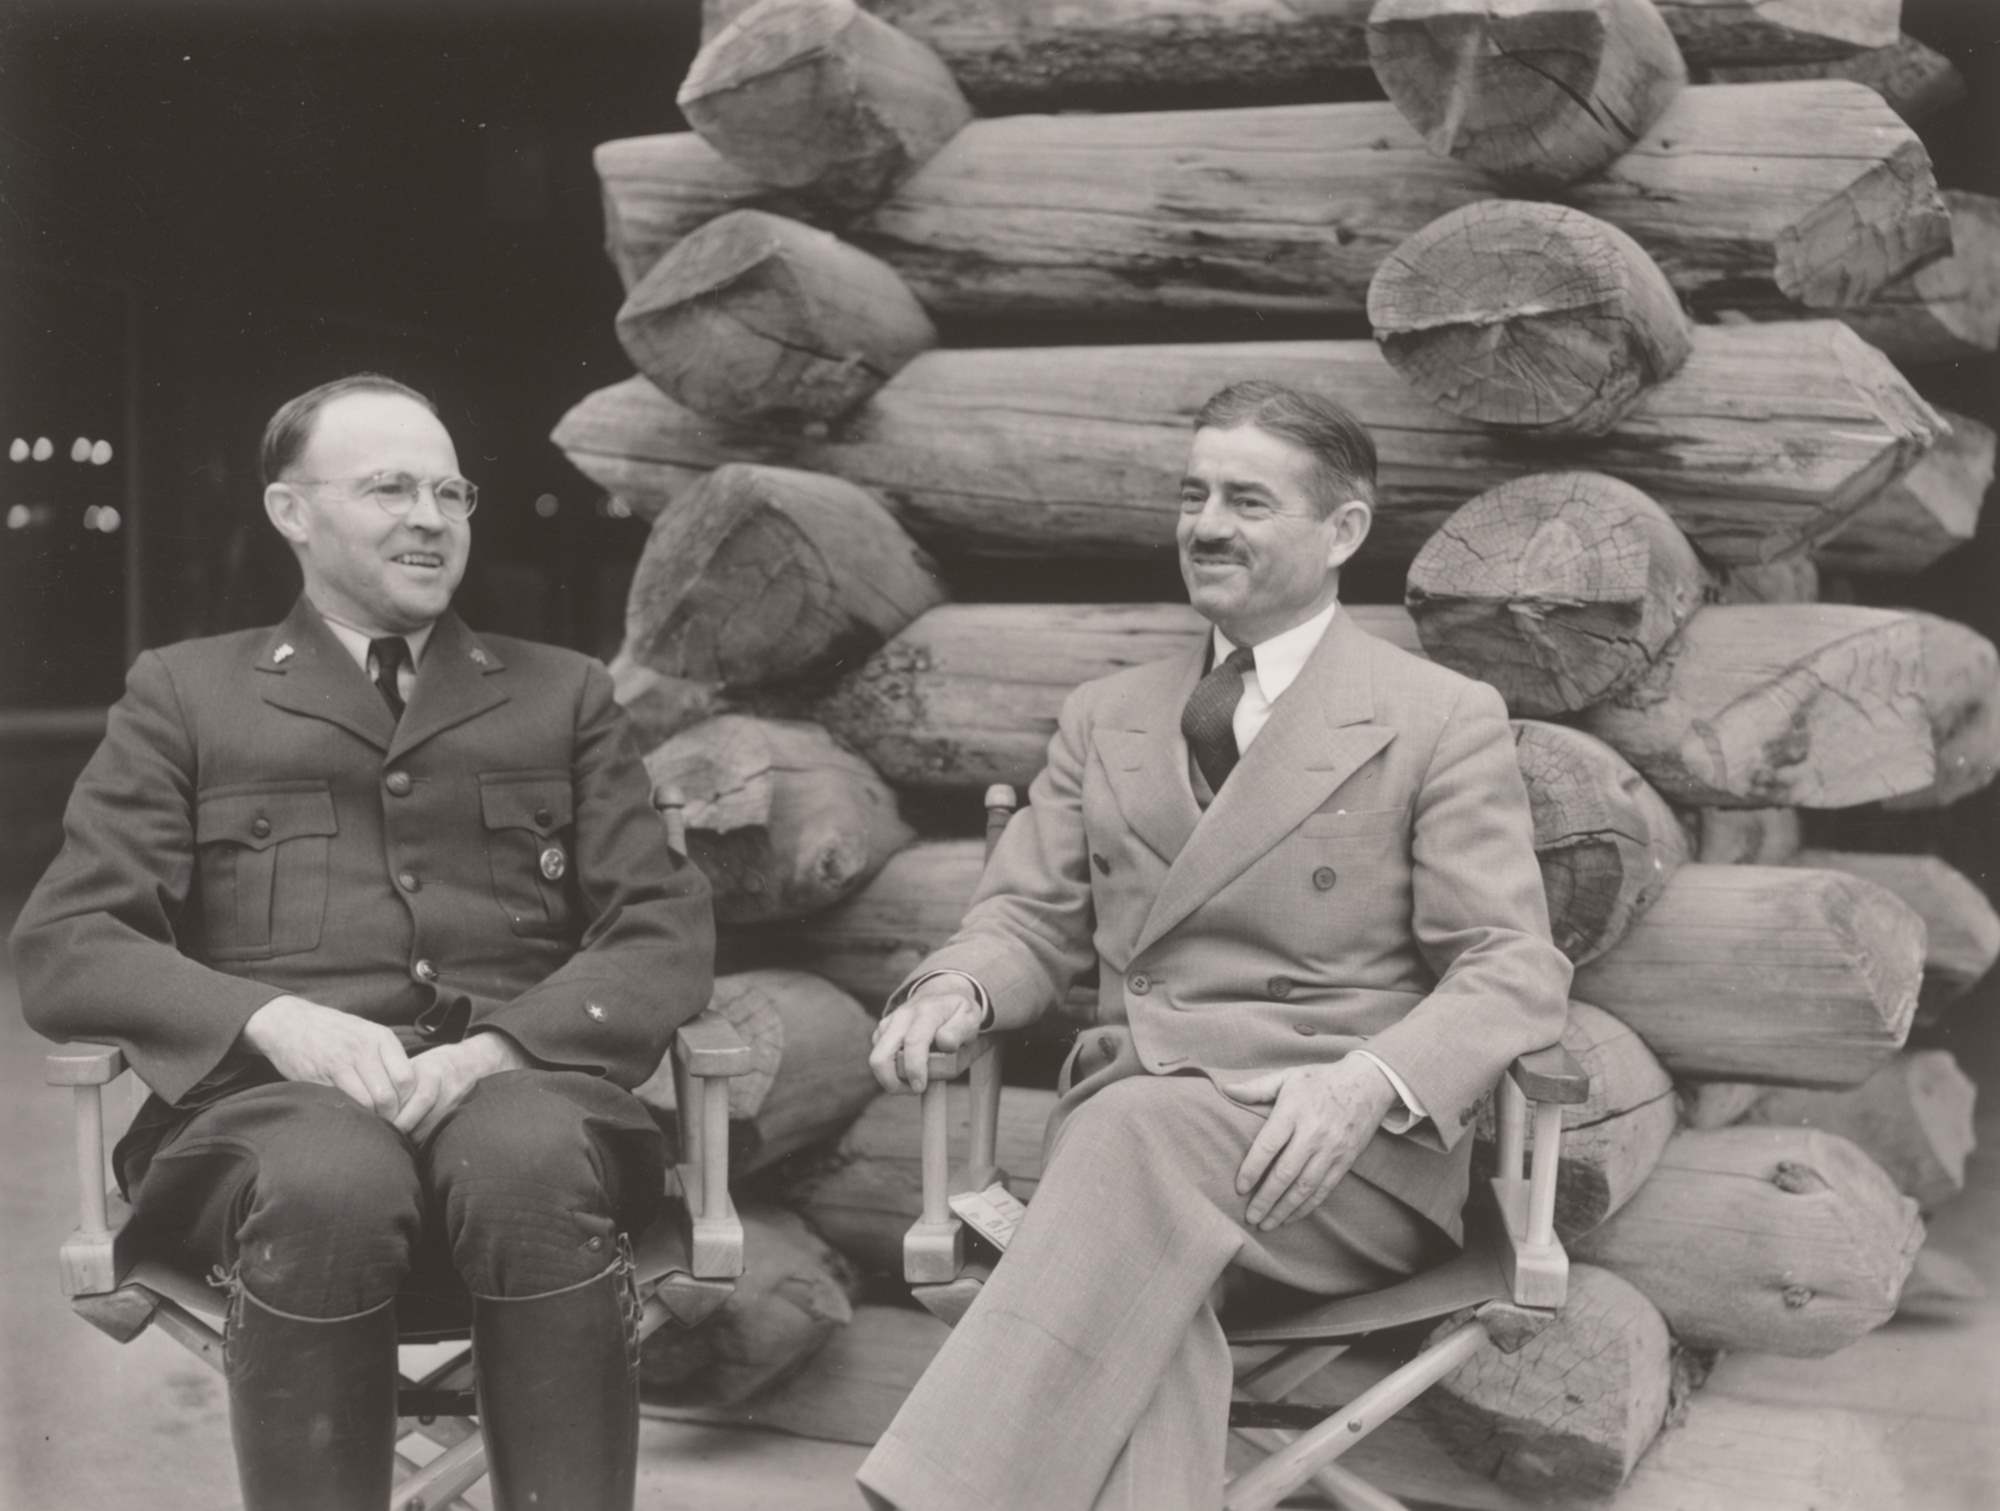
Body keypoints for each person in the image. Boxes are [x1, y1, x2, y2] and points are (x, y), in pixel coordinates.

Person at [857, 381, 1573, 1510]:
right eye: (1192, 495)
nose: (1204, 524)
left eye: (1246, 499)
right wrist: (956, 985)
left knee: (1127, 1139)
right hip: (1143, 1154)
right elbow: (1026, 917)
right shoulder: (1106, 714)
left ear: (1341, 532)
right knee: (1149, 1290)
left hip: (1335, 1159)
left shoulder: (1433, 714)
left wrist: (1366, 1080)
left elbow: (1510, 963)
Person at [11, 373, 714, 1511]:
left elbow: (662, 926)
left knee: (527, 1155)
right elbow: (69, 937)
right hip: (265, 1131)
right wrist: (270, 1019)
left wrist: (500, 1051)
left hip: (529, 1112)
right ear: (292, 511)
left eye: (450, 490)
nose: (431, 517)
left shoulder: (563, 694)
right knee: (331, 1171)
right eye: (389, 486)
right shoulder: (187, 694)